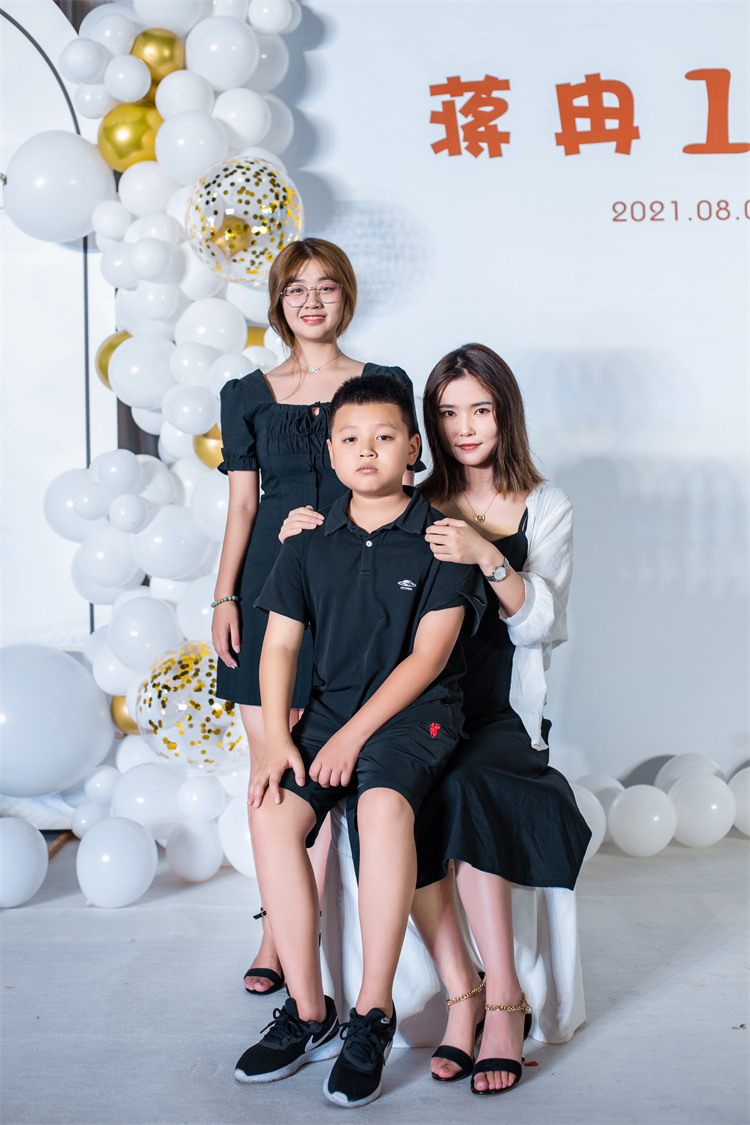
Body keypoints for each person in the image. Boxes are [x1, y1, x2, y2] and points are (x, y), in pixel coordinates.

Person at [233, 374, 486, 1108]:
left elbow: (428, 659)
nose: (366, 449)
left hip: (414, 716)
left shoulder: (441, 540)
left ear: (413, 448)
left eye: (383, 436)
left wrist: (348, 737)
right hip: (326, 714)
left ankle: (373, 1012)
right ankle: (310, 1010)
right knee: (271, 809)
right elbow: (280, 647)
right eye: (350, 438)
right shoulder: (307, 543)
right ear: (331, 453)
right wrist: (276, 739)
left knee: (379, 810)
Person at [211, 238, 423, 995]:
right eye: (295, 288)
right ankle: (278, 934)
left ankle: (314, 938)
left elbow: (396, 485)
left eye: (325, 286)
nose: (310, 300)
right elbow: (243, 506)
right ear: (278, 302)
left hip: (345, 591)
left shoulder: (381, 384)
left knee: (324, 765)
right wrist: (224, 596)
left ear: (346, 296)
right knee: (270, 770)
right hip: (266, 589)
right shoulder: (246, 393)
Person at [407, 343, 591, 1097]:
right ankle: (464, 995)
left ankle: (506, 1000)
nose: (464, 427)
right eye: (448, 412)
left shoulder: (546, 505)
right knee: (401, 798)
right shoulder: (413, 500)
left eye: (479, 409)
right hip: (424, 701)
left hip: (502, 710)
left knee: (474, 788)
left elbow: (539, 624)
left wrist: (484, 551)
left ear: (505, 413)